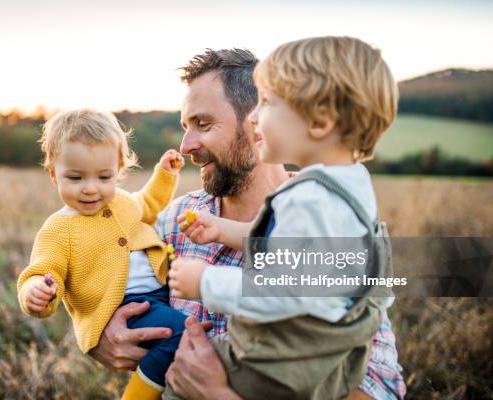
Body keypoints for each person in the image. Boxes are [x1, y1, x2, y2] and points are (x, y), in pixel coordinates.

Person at [89, 49, 406, 399]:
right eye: (185, 127)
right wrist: (99, 335)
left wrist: (217, 394)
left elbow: (379, 386)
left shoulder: (334, 221)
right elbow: (120, 291)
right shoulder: (175, 221)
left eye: (204, 124)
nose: (186, 145)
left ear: (255, 121)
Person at [16, 109, 188, 400]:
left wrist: (165, 174)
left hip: (160, 293)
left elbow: (148, 203)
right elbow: (42, 271)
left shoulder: (122, 202)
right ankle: (136, 396)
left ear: (119, 170)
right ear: (53, 174)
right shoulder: (59, 228)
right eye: (75, 177)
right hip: (124, 305)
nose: (91, 188)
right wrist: (36, 292)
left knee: (182, 334)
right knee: (181, 332)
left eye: (104, 176)